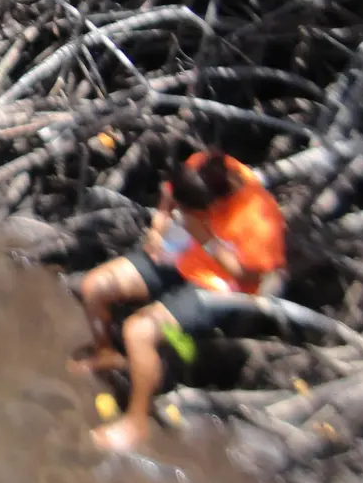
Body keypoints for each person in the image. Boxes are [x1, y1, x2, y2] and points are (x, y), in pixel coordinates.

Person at [70, 150, 288, 451]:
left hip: (221, 286)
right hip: (180, 255)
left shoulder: (261, 219)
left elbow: (249, 280)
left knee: (138, 331)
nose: (184, 213)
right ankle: (106, 352)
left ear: (215, 205)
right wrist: (158, 228)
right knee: (93, 286)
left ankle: (136, 423)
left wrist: (207, 240)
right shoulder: (201, 167)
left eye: (194, 211)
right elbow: (168, 193)